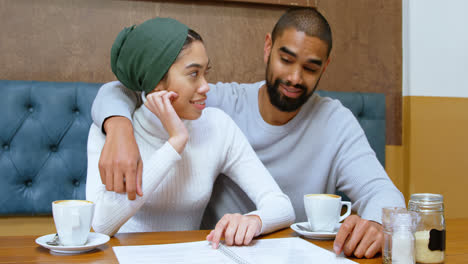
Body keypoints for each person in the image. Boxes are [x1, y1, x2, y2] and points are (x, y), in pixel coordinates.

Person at [91, 8, 405, 258]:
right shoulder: (218, 103)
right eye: (286, 59)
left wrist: (378, 223)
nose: (295, 77)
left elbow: (384, 192)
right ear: (268, 48)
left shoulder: (335, 121)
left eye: (310, 67)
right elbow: (129, 87)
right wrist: (118, 126)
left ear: (325, 66)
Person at [86, 17, 295, 249]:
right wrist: (175, 143)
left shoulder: (218, 127)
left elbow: (282, 206)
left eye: (206, 72)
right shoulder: (110, 129)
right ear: (156, 81)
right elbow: (102, 225)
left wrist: (255, 220)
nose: (206, 86)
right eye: (193, 74)